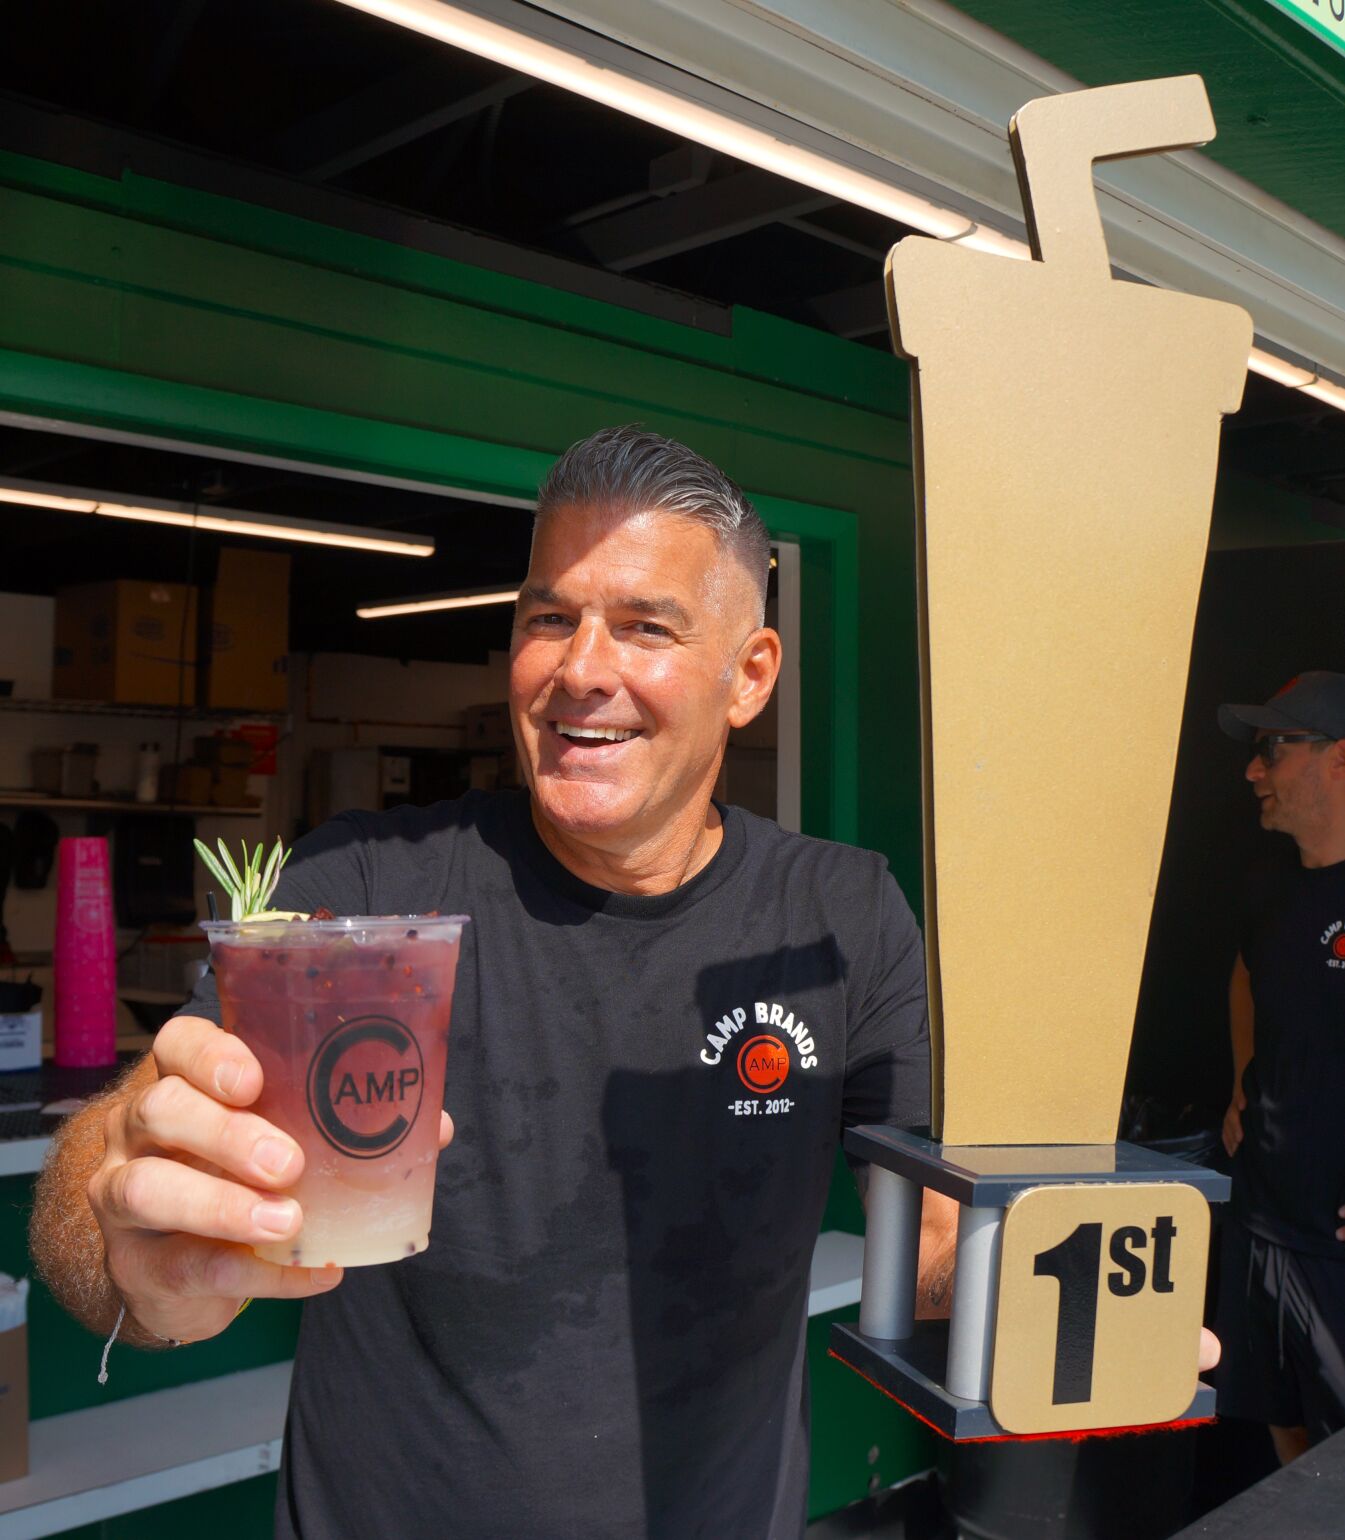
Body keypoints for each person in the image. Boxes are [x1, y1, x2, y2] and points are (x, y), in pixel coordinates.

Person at [29, 425, 958, 1540]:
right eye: (548, 618)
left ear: (748, 675)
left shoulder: (839, 914)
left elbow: (934, 1243)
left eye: (644, 626)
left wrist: (1051, 1273)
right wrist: (133, 1241)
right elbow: (111, 1174)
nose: (580, 669)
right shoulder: (363, 889)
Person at [1215, 670, 1345, 1465]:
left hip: (1334, 1242)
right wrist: (1243, 1075)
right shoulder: (1268, 885)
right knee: (1283, 1434)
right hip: (1261, 1215)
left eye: (1273, 750)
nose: (1251, 771)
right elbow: (1244, 974)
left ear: (1338, 758)